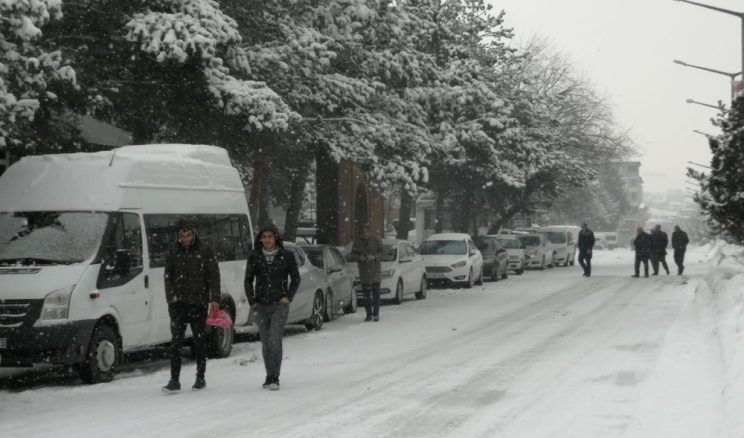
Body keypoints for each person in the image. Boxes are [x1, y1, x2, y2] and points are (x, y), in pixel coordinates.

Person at [162, 222, 221, 393]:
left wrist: (214, 299)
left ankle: (200, 377)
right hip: (178, 304)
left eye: (188, 235)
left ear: (193, 234)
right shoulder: (173, 250)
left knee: (199, 341)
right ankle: (174, 380)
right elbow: (168, 276)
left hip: (198, 303)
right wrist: (171, 299)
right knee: (176, 343)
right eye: (182, 236)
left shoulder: (205, 250)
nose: (185, 239)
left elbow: (213, 275)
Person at [244, 224, 300, 391]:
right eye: (264, 237)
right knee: (266, 342)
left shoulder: (286, 256)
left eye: (270, 236)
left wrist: (288, 297)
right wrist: (252, 301)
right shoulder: (255, 256)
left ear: (276, 238)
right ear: (260, 239)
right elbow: (248, 280)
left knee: (275, 339)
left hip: (279, 305)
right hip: (260, 305)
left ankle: (275, 376)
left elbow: (296, 278)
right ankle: (269, 375)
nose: (267, 240)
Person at [352, 223, 384, 322]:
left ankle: (376, 314)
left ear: (370, 232)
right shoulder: (357, 243)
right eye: (363, 232)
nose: (364, 234)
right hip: (364, 272)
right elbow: (352, 254)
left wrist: (374, 257)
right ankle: (368, 314)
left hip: (375, 271)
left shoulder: (376, 241)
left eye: (366, 232)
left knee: (376, 295)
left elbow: (382, 252)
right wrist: (359, 257)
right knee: (366, 296)